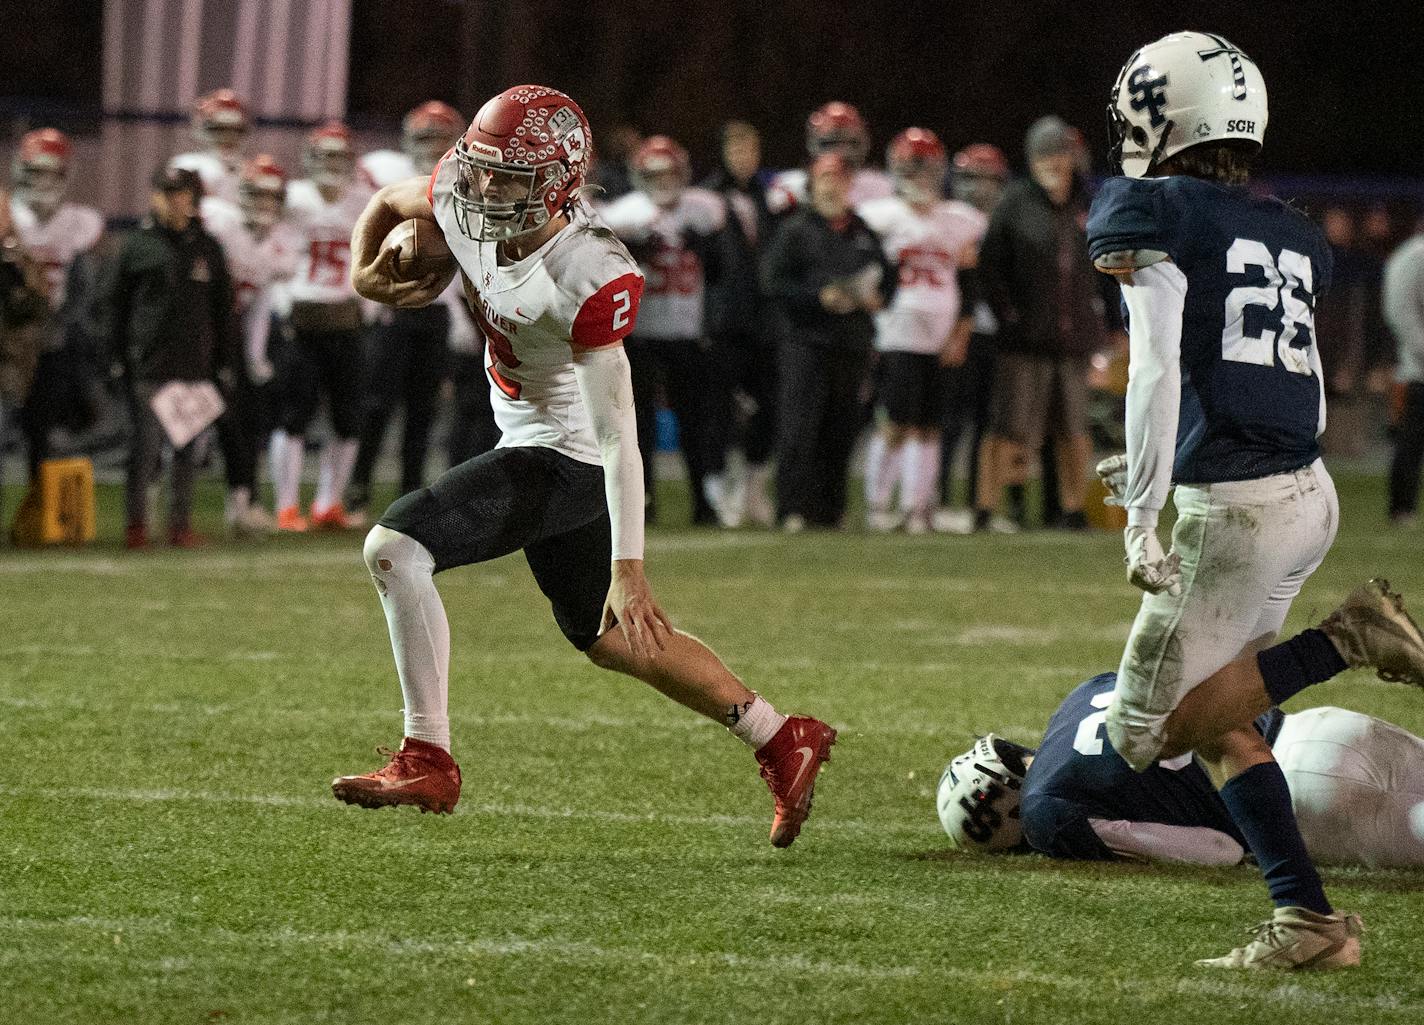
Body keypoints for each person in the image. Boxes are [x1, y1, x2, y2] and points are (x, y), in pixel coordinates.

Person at [334, 85, 836, 849]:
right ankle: (780, 735)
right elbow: (394, 198)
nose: (485, 189)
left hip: (565, 455)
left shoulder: (589, 269)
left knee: (396, 548)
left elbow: (617, 437)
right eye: (484, 168)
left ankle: (426, 754)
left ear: (561, 182)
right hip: (527, 437)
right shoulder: (468, 194)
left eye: (510, 177)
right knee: (612, 640)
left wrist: (630, 564)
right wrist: (365, 273)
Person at [1085, 31, 1424, 969]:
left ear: (1168, 116)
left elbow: (1153, 369)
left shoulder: (1148, 207)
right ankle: (1306, 920)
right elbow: (1296, 387)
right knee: (1229, 711)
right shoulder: (1295, 228)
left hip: (1233, 513)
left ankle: (1347, 638)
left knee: (1144, 734)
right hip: (1302, 490)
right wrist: (1171, 464)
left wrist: (1146, 510)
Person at [940, 672, 1424, 870]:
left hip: (1299, 800)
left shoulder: (1047, 815)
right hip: (1321, 725)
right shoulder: (1080, 696)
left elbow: (1220, 849)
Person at [973, 116, 1105, 533]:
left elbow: (1106, 269)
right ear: (1031, 159)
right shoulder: (1014, 203)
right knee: (1011, 428)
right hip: (1024, 338)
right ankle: (987, 508)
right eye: (1046, 154)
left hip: (1074, 338)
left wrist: (1110, 321)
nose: (1055, 162)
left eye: (1061, 153)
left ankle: (1071, 508)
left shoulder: (1088, 205)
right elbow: (990, 268)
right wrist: (1008, 315)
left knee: (1074, 431)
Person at [348, 101, 470, 523]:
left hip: (435, 308)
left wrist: (454, 309)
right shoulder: (385, 175)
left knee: (424, 408)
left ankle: (410, 496)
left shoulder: (464, 183)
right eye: (425, 138)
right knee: (377, 403)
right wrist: (369, 291)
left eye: (441, 139)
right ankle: (358, 487)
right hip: (392, 306)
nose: (433, 147)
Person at [858, 128, 984, 534]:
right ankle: (879, 505)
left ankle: (916, 508)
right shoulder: (878, 216)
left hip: (940, 338)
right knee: (896, 423)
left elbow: (968, 283)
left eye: (925, 170)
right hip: (896, 334)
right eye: (910, 169)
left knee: (930, 425)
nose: (918, 178)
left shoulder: (960, 220)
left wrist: (960, 331)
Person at [761, 153, 895, 531]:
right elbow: (772, 282)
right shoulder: (796, 230)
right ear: (813, 184)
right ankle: (791, 509)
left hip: (850, 342)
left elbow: (888, 278)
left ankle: (830, 510)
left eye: (839, 178)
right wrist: (817, 296)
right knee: (798, 428)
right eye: (825, 178)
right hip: (805, 341)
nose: (832, 186)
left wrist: (878, 296)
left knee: (841, 429)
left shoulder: (862, 230)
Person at [600, 135, 726, 525]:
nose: (663, 182)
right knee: (639, 427)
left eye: (670, 174)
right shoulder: (623, 213)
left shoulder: (705, 210)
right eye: (654, 175)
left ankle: (703, 503)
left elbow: (724, 270)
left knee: (695, 423)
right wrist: (632, 248)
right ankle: (644, 502)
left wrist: (708, 249)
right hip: (640, 333)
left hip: (688, 332)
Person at [108, 167, 235, 549]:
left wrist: (223, 361)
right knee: (144, 451)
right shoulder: (137, 246)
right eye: (168, 193)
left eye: (182, 193)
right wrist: (117, 358)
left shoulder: (208, 247)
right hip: (148, 364)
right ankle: (136, 527)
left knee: (186, 452)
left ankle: (179, 526)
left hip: (194, 366)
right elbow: (116, 306)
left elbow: (223, 311)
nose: (175, 201)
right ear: (155, 197)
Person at [270, 121, 373, 531]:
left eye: (339, 156)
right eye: (325, 155)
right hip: (301, 314)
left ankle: (328, 503)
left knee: (349, 417)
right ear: (310, 160)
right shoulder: (290, 197)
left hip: (346, 317)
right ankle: (286, 505)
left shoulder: (364, 200)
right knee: (293, 414)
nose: (332, 164)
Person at [200, 154, 302, 536]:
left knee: (243, 424)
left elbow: (260, 302)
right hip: (198, 338)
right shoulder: (219, 226)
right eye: (254, 196)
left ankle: (242, 502)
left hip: (233, 340)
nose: (262, 206)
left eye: (269, 198)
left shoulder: (280, 246)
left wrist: (255, 355)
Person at [7, 129, 106, 478]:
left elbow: (83, 288)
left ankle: (38, 513)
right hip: (8, 341)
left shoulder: (77, 222)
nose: (43, 181)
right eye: (36, 172)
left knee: (42, 430)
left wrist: (60, 324)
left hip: (51, 341)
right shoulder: (7, 215)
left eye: (50, 173)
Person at [698, 120, 776, 528]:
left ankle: (754, 490)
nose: (745, 158)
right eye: (738, 150)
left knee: (765, 407)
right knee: (720, 411)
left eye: (752, 150)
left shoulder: (769, 198)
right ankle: (718, 493)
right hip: (723, 320)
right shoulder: (707, 196)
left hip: (763, 321)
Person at [935, 144, 1010, 533]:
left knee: (989, 424)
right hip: (955, 331)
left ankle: (981, 507)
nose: (979, 189)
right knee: (950, 421)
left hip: (995, 334)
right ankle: (939, 500)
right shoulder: (947, 219)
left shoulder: (1006, 221)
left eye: (987, 180)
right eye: (971, 179)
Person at [766, 102, 892, 216]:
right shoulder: (790, 184)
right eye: (830, 143)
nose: (841, 153)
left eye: (850, 143)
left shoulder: (880, 184)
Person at [1382, 223, 1424, 526]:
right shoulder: (1415, 256)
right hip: (1419, 370)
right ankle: (1402, 508)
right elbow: (1399, 309)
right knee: (1411, 440)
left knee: (1410, 439)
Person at [170, 89, 251, 205]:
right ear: (202, 130)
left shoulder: (248, 170)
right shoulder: (187, 166)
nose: (228, 137)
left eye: (235, 130)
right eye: (220, 129)